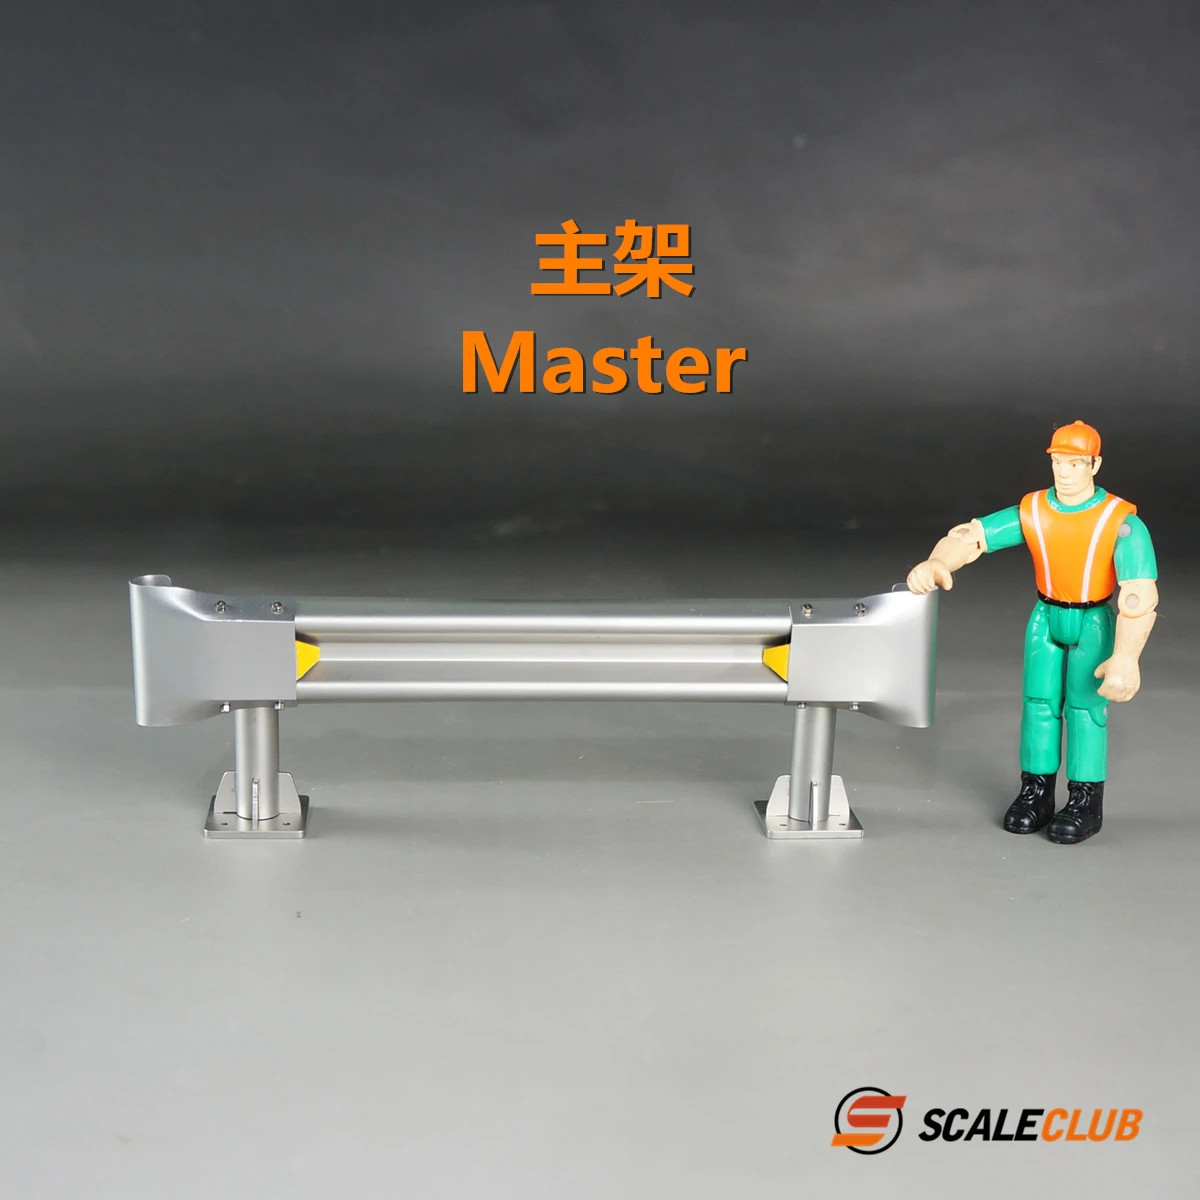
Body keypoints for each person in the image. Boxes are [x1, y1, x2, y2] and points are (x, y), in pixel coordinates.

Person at [906, 421, 1158, 843]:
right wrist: (938, 561)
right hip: (1045, 615)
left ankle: (1084, 800)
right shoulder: (1035, 510)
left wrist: (1127, 656)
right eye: (1058, 462)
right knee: (1038, 705)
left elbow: (1138, 595)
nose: (1065, 472)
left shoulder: (1119, 520)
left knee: (1086, 709)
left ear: (1094, 464)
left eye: (1075, 463)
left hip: (1093, 620)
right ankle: (1036, 792)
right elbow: (974, 535)